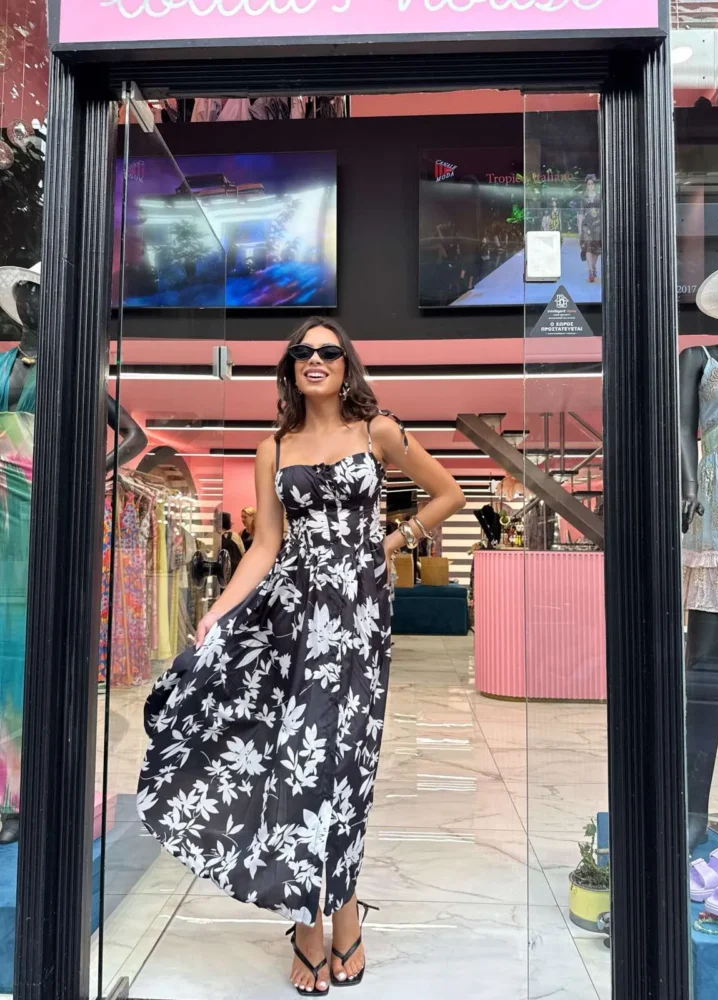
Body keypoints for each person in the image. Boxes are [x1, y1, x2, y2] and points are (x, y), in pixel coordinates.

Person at [137, 317, 465, 994]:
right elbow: (265, 545)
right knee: (298, 765)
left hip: (358, 626)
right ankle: (310, 923)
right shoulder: (273, 448)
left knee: (348, 768)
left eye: (329, 351)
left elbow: (450, 494)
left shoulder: (377, 431)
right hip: (290, 620)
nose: (316, 359)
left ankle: (343, 909)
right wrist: (218, 612)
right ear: (289, 367)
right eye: (303, 352)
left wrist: (389, 545)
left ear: (347, 365)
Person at [578, 174, 602, 284]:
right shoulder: (583, 198)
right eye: (589, 184)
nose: (590, 186)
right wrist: (580, 229)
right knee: (587, 247)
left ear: (594, 185)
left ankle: (593, 268)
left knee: (596, 248)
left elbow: (603, 211)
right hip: (586, 225)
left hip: (597, 225)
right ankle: (591, 271)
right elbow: (581, 213)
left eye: (592, 184)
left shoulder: (599, 197)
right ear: (586, 185)